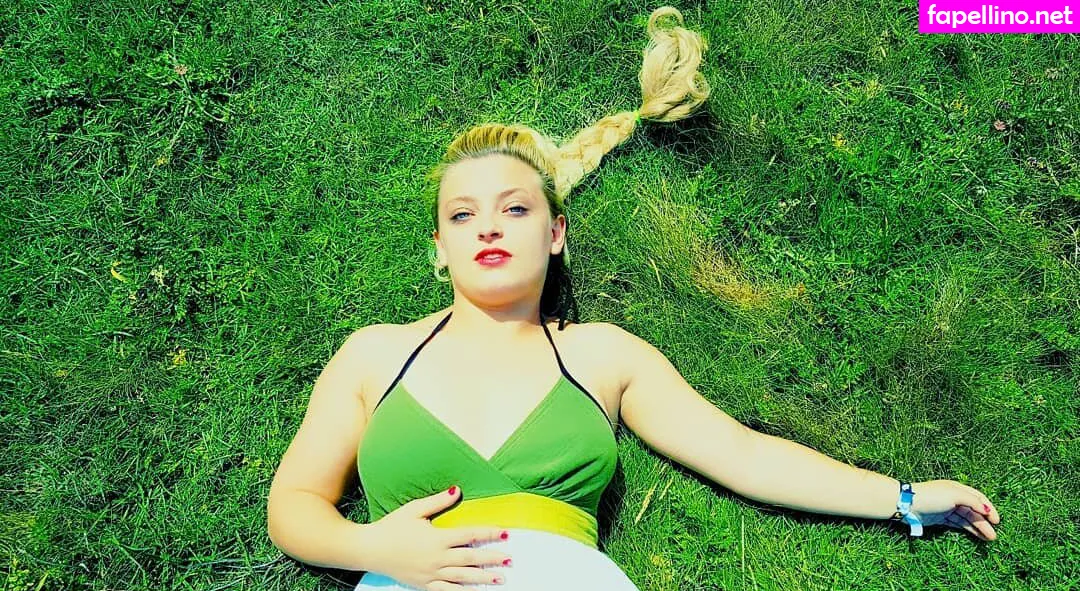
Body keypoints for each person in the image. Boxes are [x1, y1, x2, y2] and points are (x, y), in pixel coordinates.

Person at [266, 6, 1001, 591]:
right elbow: (293, 504)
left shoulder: (603, 356)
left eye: (515, 209)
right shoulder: (375, 354)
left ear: (556, 233)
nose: (488, 226)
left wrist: (907, 499)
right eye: (463, 215)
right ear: (440, 247)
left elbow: (742, 454)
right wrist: (373, 546)